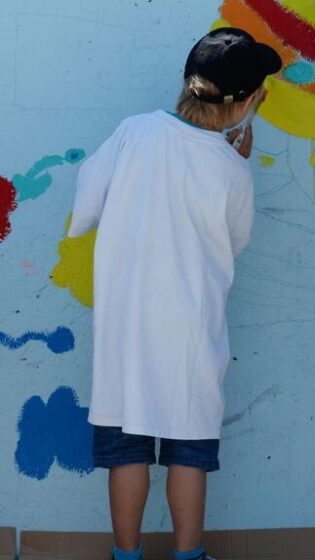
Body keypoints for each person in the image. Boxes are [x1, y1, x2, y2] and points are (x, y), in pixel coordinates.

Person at [68, 28, 281, 560]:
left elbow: (85, 208)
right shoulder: (232, 169)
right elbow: (236, 241)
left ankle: (126, 554)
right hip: (191, 328)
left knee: (126, 450)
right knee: (189, 448)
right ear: (246, 103)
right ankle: (189, 556)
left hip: (125, 327)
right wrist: (234, 163)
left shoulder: (132, 133)